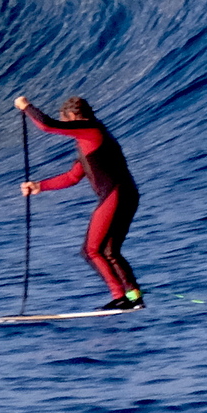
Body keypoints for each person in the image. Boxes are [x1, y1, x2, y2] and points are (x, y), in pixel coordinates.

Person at [15, 94, 143, 311]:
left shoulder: (91, 129)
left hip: (116, 194)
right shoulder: (90, 140)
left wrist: (26, 106)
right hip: (127, 194)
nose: (66, 128)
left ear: (73, 117)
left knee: (91, 250)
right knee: (109, 251)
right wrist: (39, 186)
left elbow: (47, 125)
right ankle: (134, 297)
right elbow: (72, 177)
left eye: (66, 122)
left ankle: (120, 297)